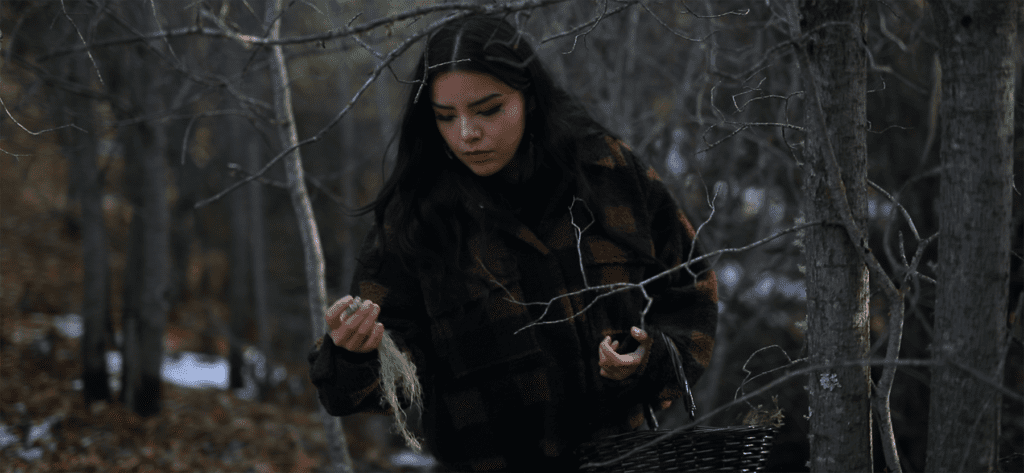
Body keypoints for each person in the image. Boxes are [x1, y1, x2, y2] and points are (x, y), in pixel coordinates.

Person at [308, 13, 718, 471]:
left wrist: (652, 360)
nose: (467, 134)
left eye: (488, 110)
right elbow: (378, 384)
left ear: (529, 98)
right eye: (446, 116)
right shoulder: (418, 217)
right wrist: (355, 355)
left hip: (622, 460)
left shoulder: (607, 172)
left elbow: (691, 289)